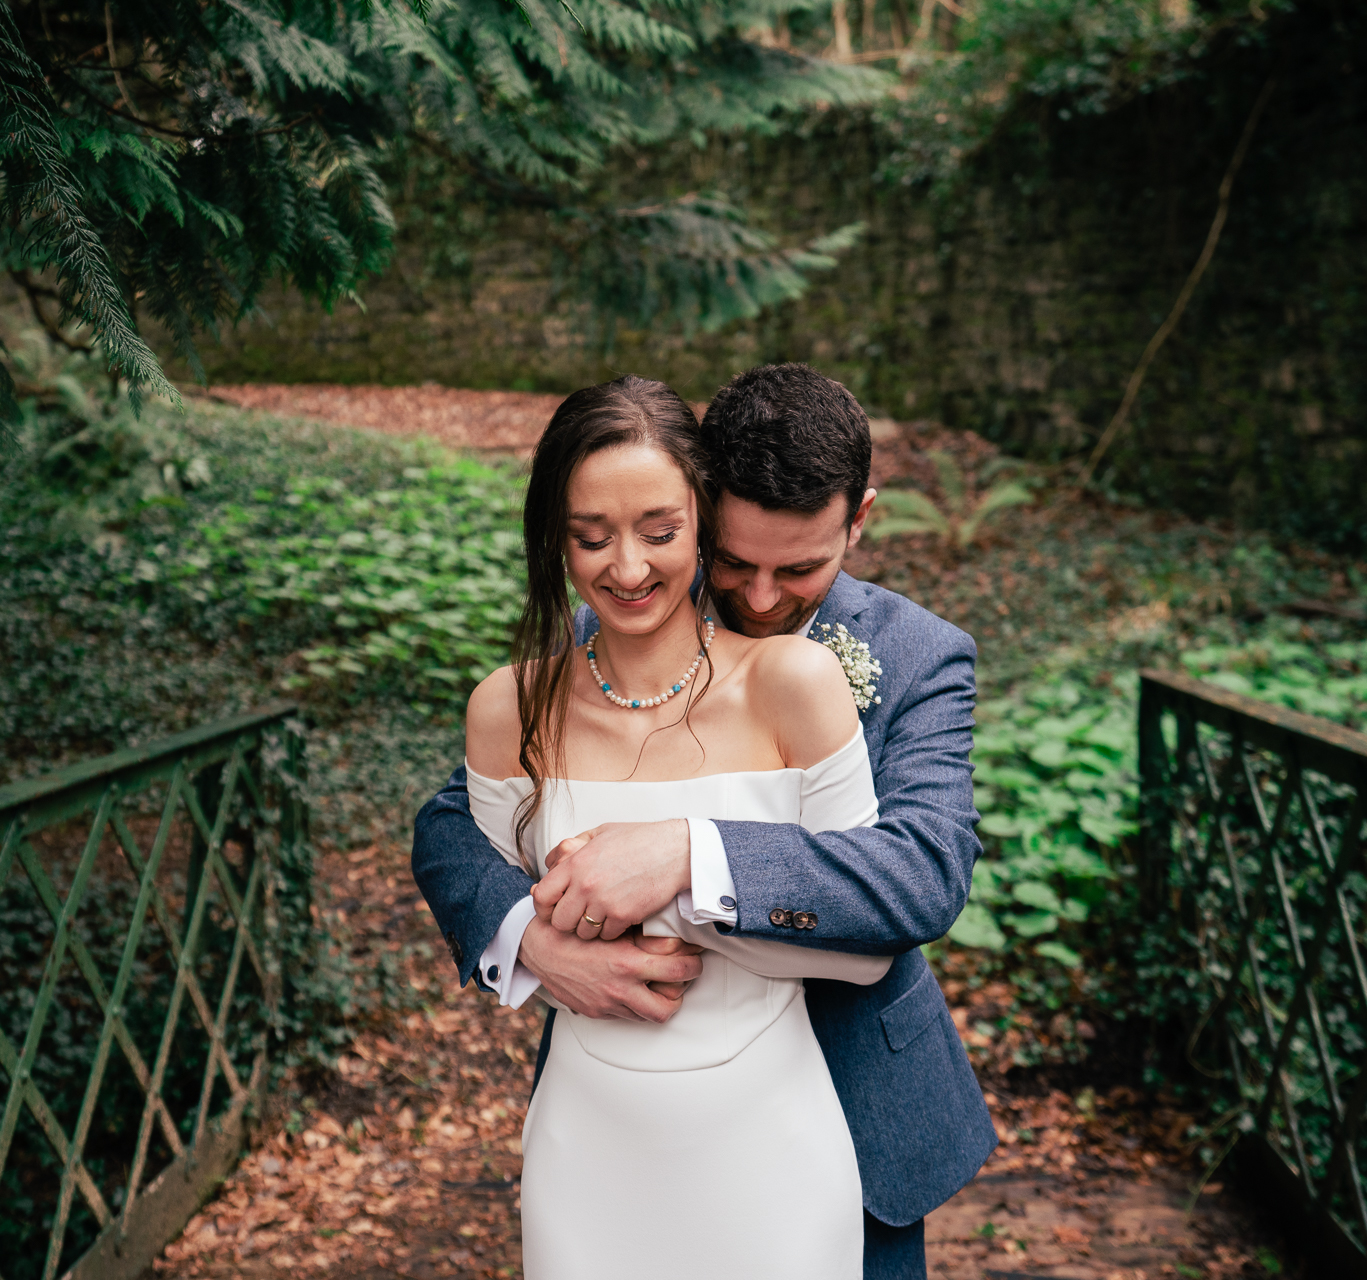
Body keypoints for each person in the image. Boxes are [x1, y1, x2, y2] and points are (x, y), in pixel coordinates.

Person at [413, 364, 996, 1279]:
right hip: (618, 1119)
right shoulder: (612, 630)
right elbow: (454, 822)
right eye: (735, 562)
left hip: (851, 1098)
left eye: (800, 568)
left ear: (861, 519)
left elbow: (920, 873)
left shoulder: (915, 656)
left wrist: (686, 855)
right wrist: (531, 939)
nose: (761, 599)